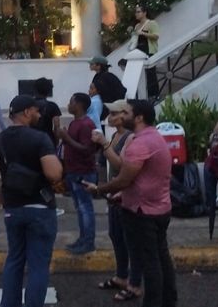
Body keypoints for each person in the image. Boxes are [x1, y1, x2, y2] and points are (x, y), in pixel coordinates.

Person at [84, 100, 177, 307]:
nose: (121, 115)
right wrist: (121, 195)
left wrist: (99, 189)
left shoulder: (140, 143)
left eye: (125, 112)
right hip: (157, 208)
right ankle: (169, 301)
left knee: (150, 263)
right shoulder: (153, 137)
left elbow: (125, 178)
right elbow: (143, 178)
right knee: (161, 259)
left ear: (139, 117)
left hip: (143, 212)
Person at [0, 95, 63, 307]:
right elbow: (54, 174)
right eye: (36, 111)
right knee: (38, 265)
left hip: (13, 209)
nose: (39, 114)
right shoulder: (40, 138)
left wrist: (2, 200)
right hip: (40, 208)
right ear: (26, 112)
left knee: (14, 260)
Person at [92, 99, 142, 302]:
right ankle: (121, 276)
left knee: (131, 241)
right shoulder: (115, 135)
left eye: (114, 114)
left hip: (125, 194)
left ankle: (133, 282)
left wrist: (104, 144)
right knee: (116, 236)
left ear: (124, 115)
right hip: (114, 194)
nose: (110, 118)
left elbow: (122, 165)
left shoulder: (129, 137)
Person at [56, 92, 98, 255]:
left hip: (83, 173)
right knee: (80, 208)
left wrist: (67, 138)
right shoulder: (75, 123)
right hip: (73, 171)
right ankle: (83, 239)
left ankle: (88, 242)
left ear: (79, 105)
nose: (69, 104)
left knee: (85, 208)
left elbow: (88, 150)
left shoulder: (86, 125)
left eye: (71, 102)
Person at [130, 5, 161, 100]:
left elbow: (156, 36)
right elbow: (135, 38)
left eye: (139, 12)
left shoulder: (151, 23)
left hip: (149, 50)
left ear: (144, 13)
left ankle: (154, 95)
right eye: (136, 12)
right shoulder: (137, 25)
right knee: (140, 73)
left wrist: (143, 33)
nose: (136, 14)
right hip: (139, 51)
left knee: (151, 73)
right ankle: (142, 95)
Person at [32, 78, 61, 147]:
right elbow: (56, 126)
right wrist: (56, 141)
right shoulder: (53, 106)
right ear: (49, 91)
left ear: (34, 89)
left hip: (31, 138)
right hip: (48, 139)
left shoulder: (28, 105)